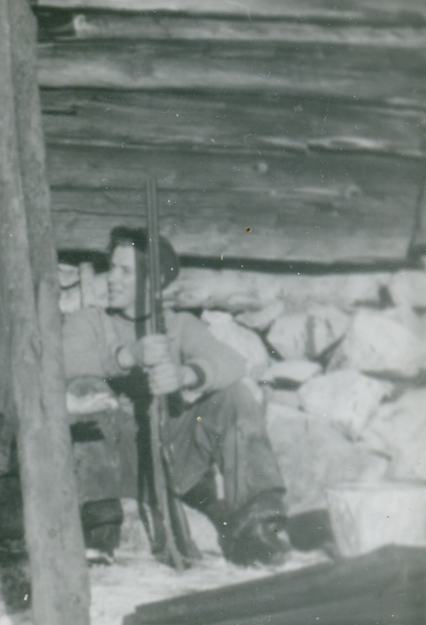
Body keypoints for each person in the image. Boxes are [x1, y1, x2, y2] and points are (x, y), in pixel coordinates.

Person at [62, 226, 290, 567]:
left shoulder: (180, 325)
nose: (112, 279)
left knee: (233, 395)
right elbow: (63, 364)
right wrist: (127, 357)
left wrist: (186, 375)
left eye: (126, 271)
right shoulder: (88, 322)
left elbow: (232, 363)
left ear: (152, 283)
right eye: (112, 268)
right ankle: (98, 530)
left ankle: (256, 526)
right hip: (111, 463)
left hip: (171, 457)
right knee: (86, 391)